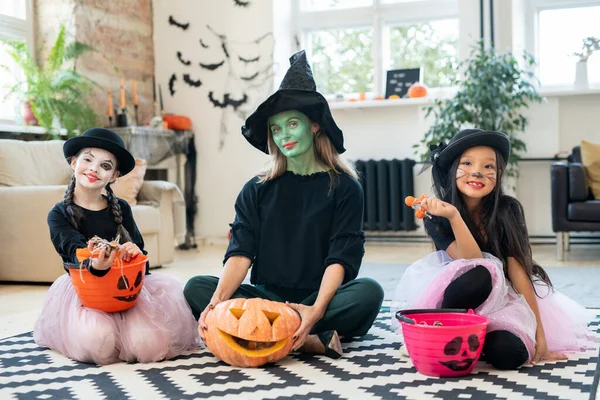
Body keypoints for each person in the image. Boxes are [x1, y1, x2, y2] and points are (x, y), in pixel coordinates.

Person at [184, 50, 384, 359]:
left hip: (319, 297)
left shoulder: (345, 186)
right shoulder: (257, 188)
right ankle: (308, 340)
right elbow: (240, 254)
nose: (283, 136)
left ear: (315, 125)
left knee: (369, 293)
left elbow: (341, 259)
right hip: (266, 299)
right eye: (276, 129)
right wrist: (213, 306)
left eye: (292, 124)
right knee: (197, 287)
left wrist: (315, 310)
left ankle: (281, 332)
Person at [392, 129, 596, 370]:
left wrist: (540, 336)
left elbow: (518, 269)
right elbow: (474, 261)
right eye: (467, 163)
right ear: (451, 170)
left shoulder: (508, 209)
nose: (477, 172)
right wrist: (454, 216)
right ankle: (442, 331)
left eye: (489, 167)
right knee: (482, 273)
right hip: (461, 295)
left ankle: (479, 339)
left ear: (499, 176)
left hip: (502, 301)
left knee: (510, 355)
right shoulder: (438, 216)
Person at [34, 128, 198, 365]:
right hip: (86, 291)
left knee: (148, 343)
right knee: (98, 342)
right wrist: (97, 264)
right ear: (73, 162)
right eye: (88, 160)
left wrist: (135, 252)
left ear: (114, 175)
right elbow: (73, 250)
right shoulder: (59, 214)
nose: (93, 169)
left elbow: (142, 258)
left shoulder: (121, 208)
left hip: (124, 289)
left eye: (105, 166)